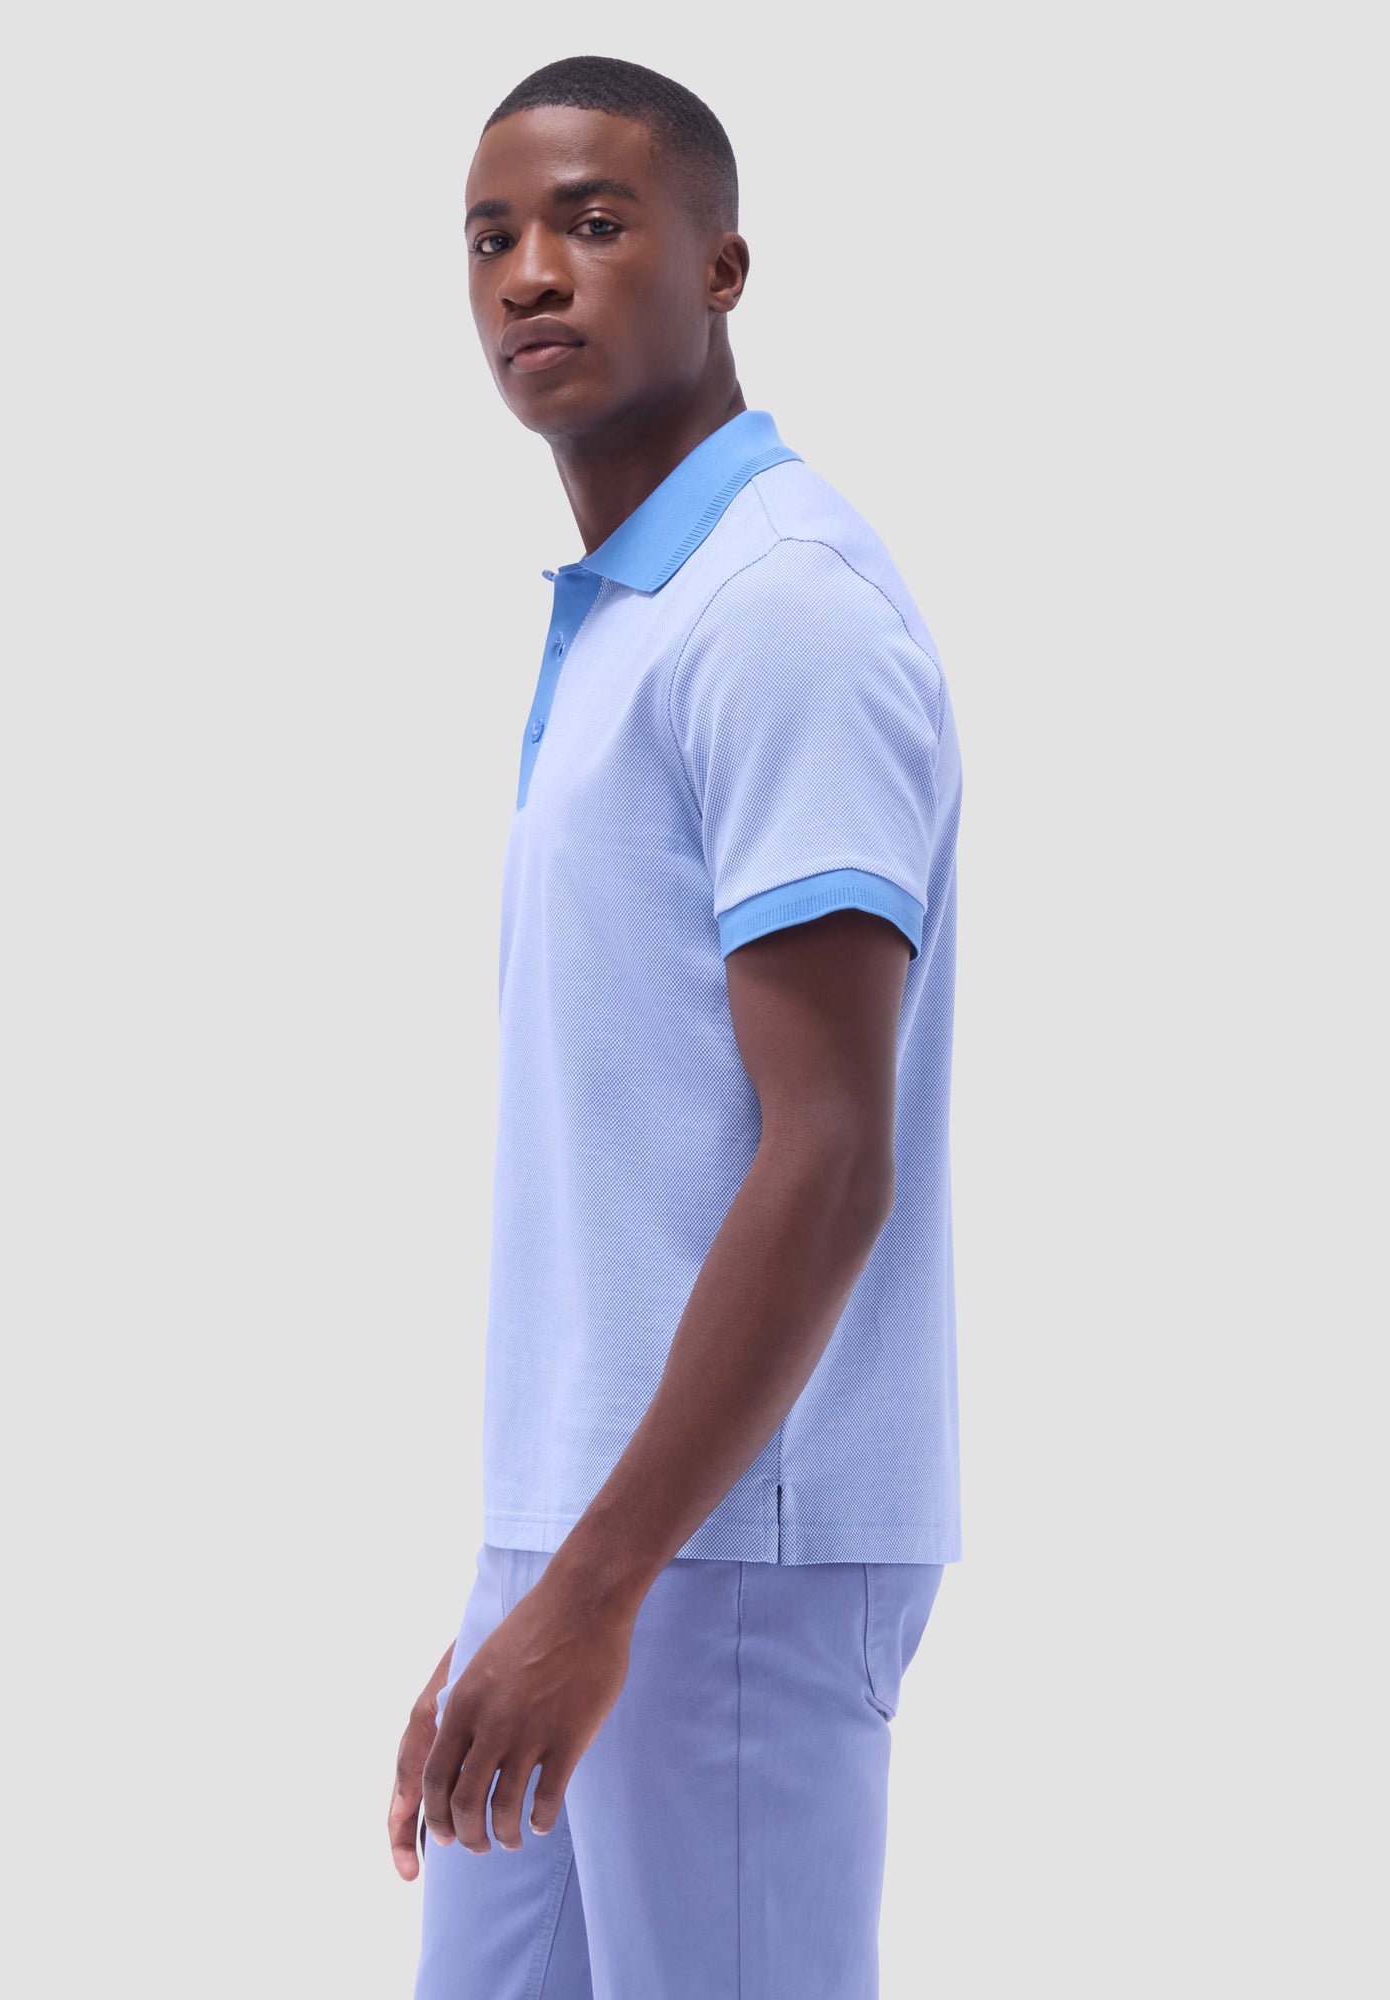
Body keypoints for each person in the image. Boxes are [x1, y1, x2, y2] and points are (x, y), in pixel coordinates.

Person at [391, 54, 965, 1999]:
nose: (531, 273)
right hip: (591, 1533)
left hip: (733, 1555)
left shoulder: (779, 608)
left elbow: (831, 1153)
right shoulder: (633, 617)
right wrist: (528, 1580)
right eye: (491, 237)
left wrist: (599, 1583)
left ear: (723, 267)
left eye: (592, 221)